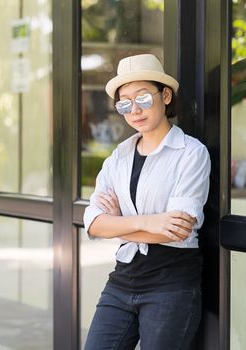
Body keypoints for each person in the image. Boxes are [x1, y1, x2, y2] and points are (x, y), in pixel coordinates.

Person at [83, 54, 211, 350]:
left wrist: (116, 224)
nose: (134, 109)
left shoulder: (190, 153)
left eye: (142, 97)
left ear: (165, 95)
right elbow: (93, 221)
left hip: (171, 284)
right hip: (122, 280)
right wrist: (150, 222)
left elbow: (178, 229)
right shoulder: (119, 156)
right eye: (124, 103)